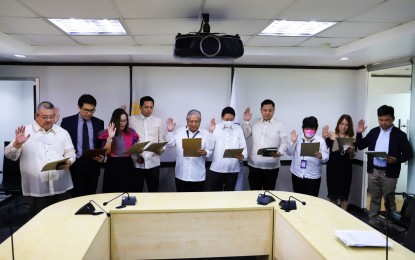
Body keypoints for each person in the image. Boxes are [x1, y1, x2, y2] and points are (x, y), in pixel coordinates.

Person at [4, 101, 76, 217]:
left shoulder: (62, 133)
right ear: (36, 116)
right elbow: (9, 155)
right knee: (38, 222)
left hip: (61, 186)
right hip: (36, 188)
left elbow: (71, 152)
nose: (49, 120)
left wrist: (70, 161)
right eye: (45, 117)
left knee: (62, 220)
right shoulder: (25, 132)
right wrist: (17, 144)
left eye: (52, 117)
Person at [355, 105, 412, 222]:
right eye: (381, 120)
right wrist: (359, 133)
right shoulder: (374, 132)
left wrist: (395, 159)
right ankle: (373, 222)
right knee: (374, 199)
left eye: (387, 120)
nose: (384, 123)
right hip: (373, 171)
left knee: (389, 200)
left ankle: (391, 225)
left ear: (393, 118)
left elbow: (408, 154)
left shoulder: (400, 135)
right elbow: (360, 146)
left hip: (389, 173)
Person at [61, 94, 104, 197]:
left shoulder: (99, 123)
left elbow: (100, 144)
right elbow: (62, 144)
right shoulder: (67, 122)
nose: (89, 113)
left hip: (93, 165)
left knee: (91, 196)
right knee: (76, 197)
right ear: (79, 107)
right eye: (86, 110)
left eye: (92, 110)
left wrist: (101, 156)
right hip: (75, 165)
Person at [242, 99, 288, 190]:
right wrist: (246, 121)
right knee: (254, 193)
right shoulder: (255, 122)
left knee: (268, 194)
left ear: (274, 110)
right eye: (265, 110)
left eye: (270, 110)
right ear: (261, 110)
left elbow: (284, 142)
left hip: (272, 167)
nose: (267, 113)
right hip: (254, 166)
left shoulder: (280, 124)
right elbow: (246, 135)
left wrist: (279, 152)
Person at [166, 109, 213, 192]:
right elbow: (170, 145)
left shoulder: (206, 134)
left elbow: (209, 151)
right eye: (191, 121)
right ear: (187, 121)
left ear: (200, 121)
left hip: (198, 176)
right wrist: (170, 131)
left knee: (197, 202)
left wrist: (205, 152)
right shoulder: (179, 132)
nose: (194, 124)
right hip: (181, 175)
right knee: (181, 201)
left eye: (196, 121)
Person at [129, 96, 166, 192]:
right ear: (140, 107)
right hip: (136, 162)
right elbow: (127, 139)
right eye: (146, 107)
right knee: (136, 191)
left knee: (153, 190)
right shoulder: (131, 120)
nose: (149, 109)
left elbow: (161, 140)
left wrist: (161, 150)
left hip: (153, 162)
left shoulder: (158, 121)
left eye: (151, 107)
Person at [286, 116, 329, 197]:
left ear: (316, 129)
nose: (309, 131)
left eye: (312, 129)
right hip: (297, 174)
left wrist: (321, 155)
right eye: (307, 128)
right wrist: (292, 142)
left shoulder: (320, 140)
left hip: (313, 176)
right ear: (303, 128)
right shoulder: (297, 138)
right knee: (298, 199)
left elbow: (326, 157)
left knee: (311, 202)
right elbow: (289, 152)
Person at [98, 108, 138, 192]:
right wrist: (110, 138)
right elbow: (106, 152)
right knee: (112, 190)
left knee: (128, 190)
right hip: (113, 164)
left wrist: (138, 149)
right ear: (115, 120)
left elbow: (133, 148)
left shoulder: (131, 132)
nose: (123, 123)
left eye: (125, 120)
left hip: (127, 163)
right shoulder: (106, 132)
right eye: (120, 121)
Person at [208, 107, 247, 191]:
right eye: (227, 119)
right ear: (222, 118)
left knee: (229, 197)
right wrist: (211, 132)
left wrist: (243, 156)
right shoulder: (215, 128)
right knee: (215, 195)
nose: (229, 121)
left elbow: (243, 146)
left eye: (231, 119)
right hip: (216, 168)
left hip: (233, 169)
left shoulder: (238, 129)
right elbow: (209, 147)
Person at [322, 114, 356, 210]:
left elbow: (352, 156)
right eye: (342, 124)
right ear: (338, 124)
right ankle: (333, 218)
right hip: (332, 168)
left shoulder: (352, 137)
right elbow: (324, 148)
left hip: (345, 169)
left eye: (346, 125)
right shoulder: (332, 134)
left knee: (344, 196)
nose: (343, 127)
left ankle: (343, 219)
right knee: (333, 195)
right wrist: (324, 137)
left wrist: (351, 151)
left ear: (349, 126)